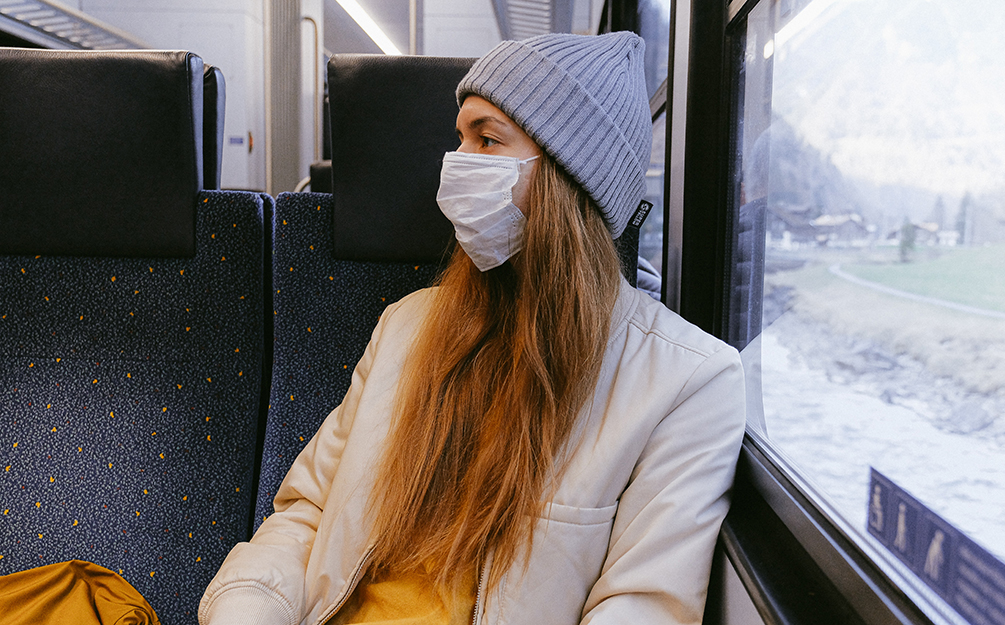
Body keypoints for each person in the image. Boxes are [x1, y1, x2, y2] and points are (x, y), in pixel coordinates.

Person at [199, 32, 746, 625]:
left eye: (486, 139)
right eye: (459, 139)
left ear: (569, 180)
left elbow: (642, 608)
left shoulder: (689, 382)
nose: (456, 165)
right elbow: (306, 512)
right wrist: (248, 610)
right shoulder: (408, 326)